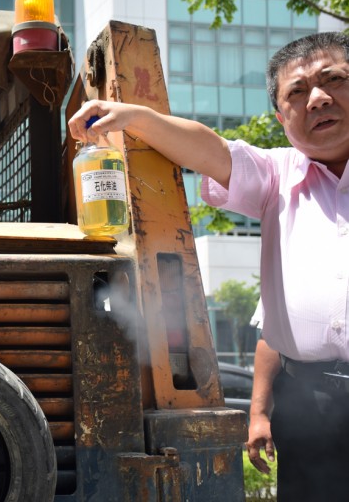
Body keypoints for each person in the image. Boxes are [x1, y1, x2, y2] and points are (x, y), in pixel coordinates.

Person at [68, 31, 349, 501]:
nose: (317, 98)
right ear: (282, 119)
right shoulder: (277, 175)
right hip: (310, 401)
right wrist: (137, 118)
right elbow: (212, 151)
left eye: (334, 79)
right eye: (297, 92)